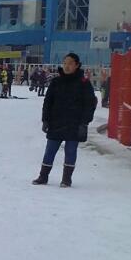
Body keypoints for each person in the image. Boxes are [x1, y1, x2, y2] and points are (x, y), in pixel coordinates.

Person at [34, 52, 97, 188]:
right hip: (56, 123)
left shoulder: (84, 83)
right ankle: (43, 176)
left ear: (77, 65)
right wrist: (45, 120)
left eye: (70, 63)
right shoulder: (56, 82)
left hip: (74, 124)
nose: (67, 66)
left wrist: (84, 122)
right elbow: (48, 102)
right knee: (50, 151)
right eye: (65, 63)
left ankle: (66, 179)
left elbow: (90, 104)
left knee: (70, 151)